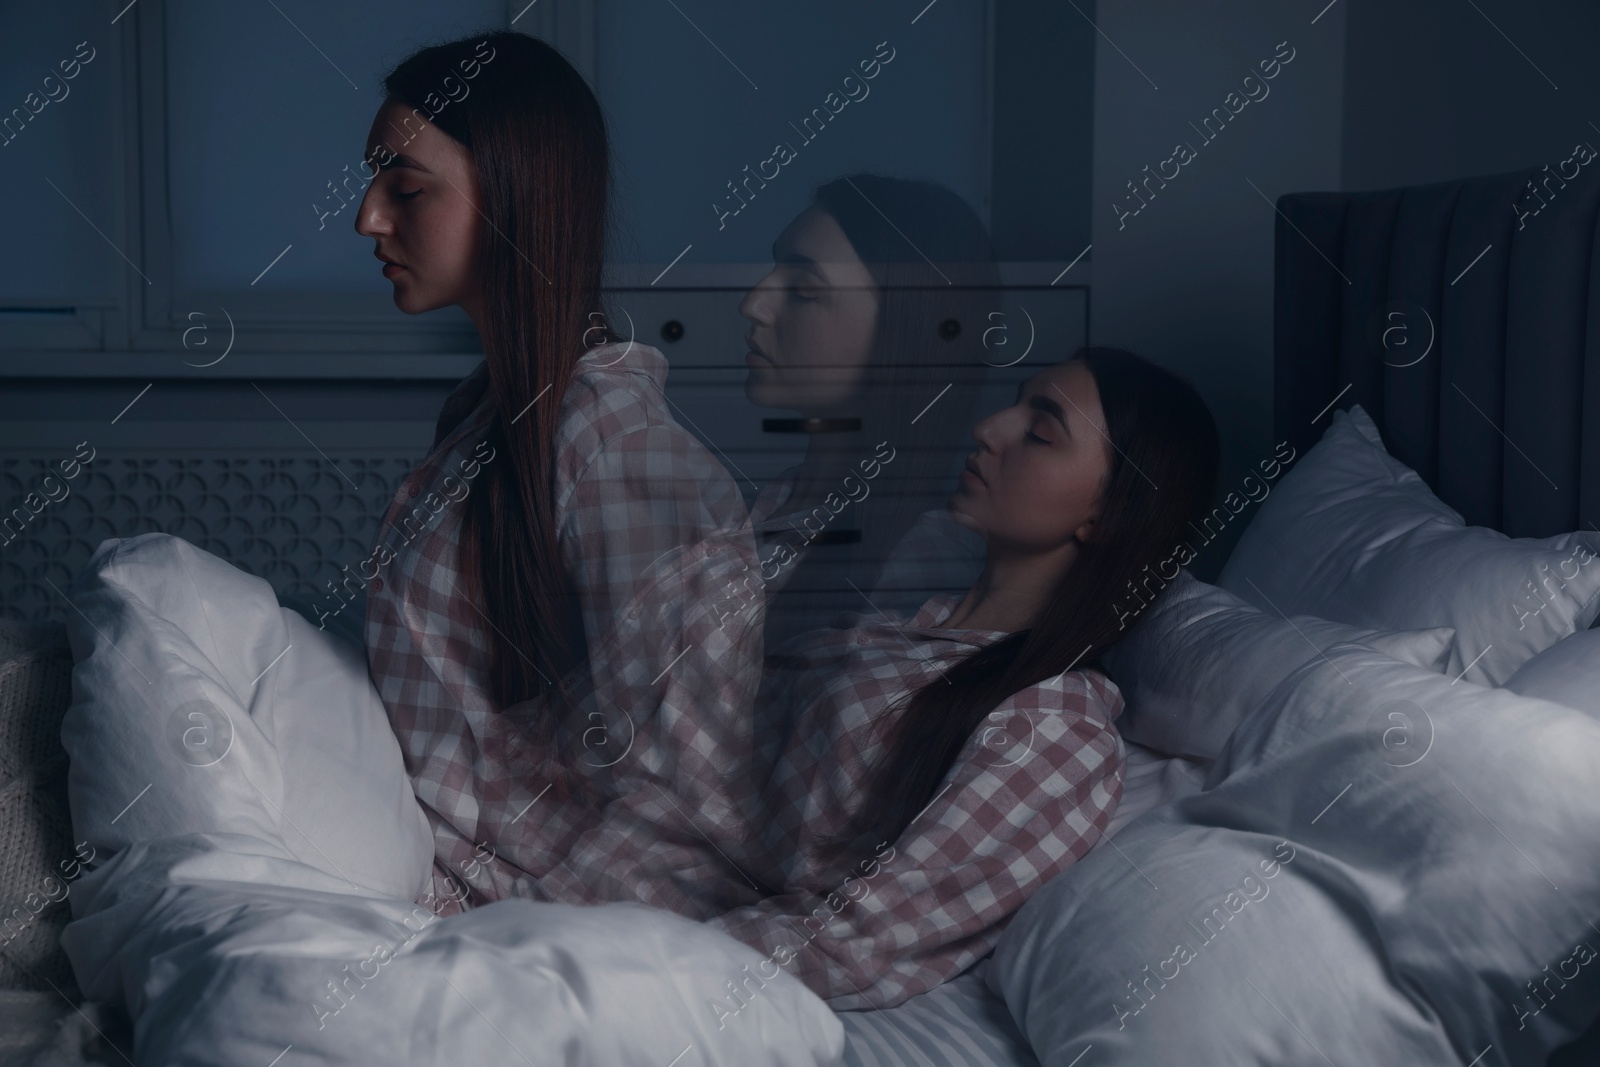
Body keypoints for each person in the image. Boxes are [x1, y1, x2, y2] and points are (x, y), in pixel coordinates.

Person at [353, 31, 766, 918]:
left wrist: (508, 944)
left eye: (407, 188)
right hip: (445, 874)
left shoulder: (621, 456)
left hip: (531, 916)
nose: (368, 218)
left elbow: (689, 808)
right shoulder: (482, 415)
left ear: (515, 197)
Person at [703, 347, 1222, 1010]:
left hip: (645, 891)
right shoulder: (912, 625)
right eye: (1015, 404)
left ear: (1105, 515)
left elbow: (854, 944)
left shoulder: (1051, 726)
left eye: (1039, 432)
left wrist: (635, 956)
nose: (990, 428)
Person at [739, 175, 1000, 651]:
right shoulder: (769, 501)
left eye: (803, 290)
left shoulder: (923, 557)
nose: (753, 304)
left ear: (904, 327)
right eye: (774, 268)